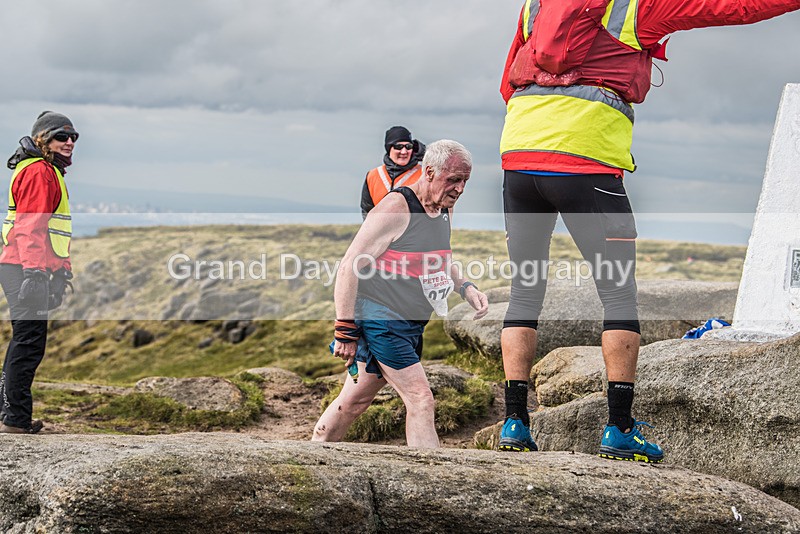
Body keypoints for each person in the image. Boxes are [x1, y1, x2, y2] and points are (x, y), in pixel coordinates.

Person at [496, 0, 800, 460]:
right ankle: (619, 427)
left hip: (519, 158)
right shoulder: (633, 9)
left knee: (525, 290)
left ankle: (515, 422)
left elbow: (507, 83)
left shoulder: (535, 7)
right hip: (586, 163)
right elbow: (734, 7)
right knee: (618, 294)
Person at [313, 140, 488, 448]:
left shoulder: (443, 207)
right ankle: (432, 482)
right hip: (382, 319)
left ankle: (315, 447)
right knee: (421, 399)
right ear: (430, 172)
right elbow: (348, 267)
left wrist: (466, 288)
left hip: (408, 323)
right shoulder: (396, 207)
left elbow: (440, 257)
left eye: (465, 181)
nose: (460, 189)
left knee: (355, 400)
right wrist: (344, 330)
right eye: (454, 180)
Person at [0, 111, 76, 434]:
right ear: (43, 139)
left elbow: (51, 231)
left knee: (25, 339)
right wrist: (34, 273)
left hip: (24, 265)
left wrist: (60, 272)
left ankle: (8, 415)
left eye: (74, 137)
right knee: (30, 341)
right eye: (62, 136)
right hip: (22, 266)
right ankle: (15, 419)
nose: (70, 142)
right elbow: (30, 227)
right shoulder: (40, 172)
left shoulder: (47, 171)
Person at [360, 126, 426, 219]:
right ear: (389, 148)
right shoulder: (372, 175)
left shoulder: (424, 175)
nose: (404, 152)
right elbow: (367, 211)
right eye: (398, 147)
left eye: (408, 146)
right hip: (381, 232)